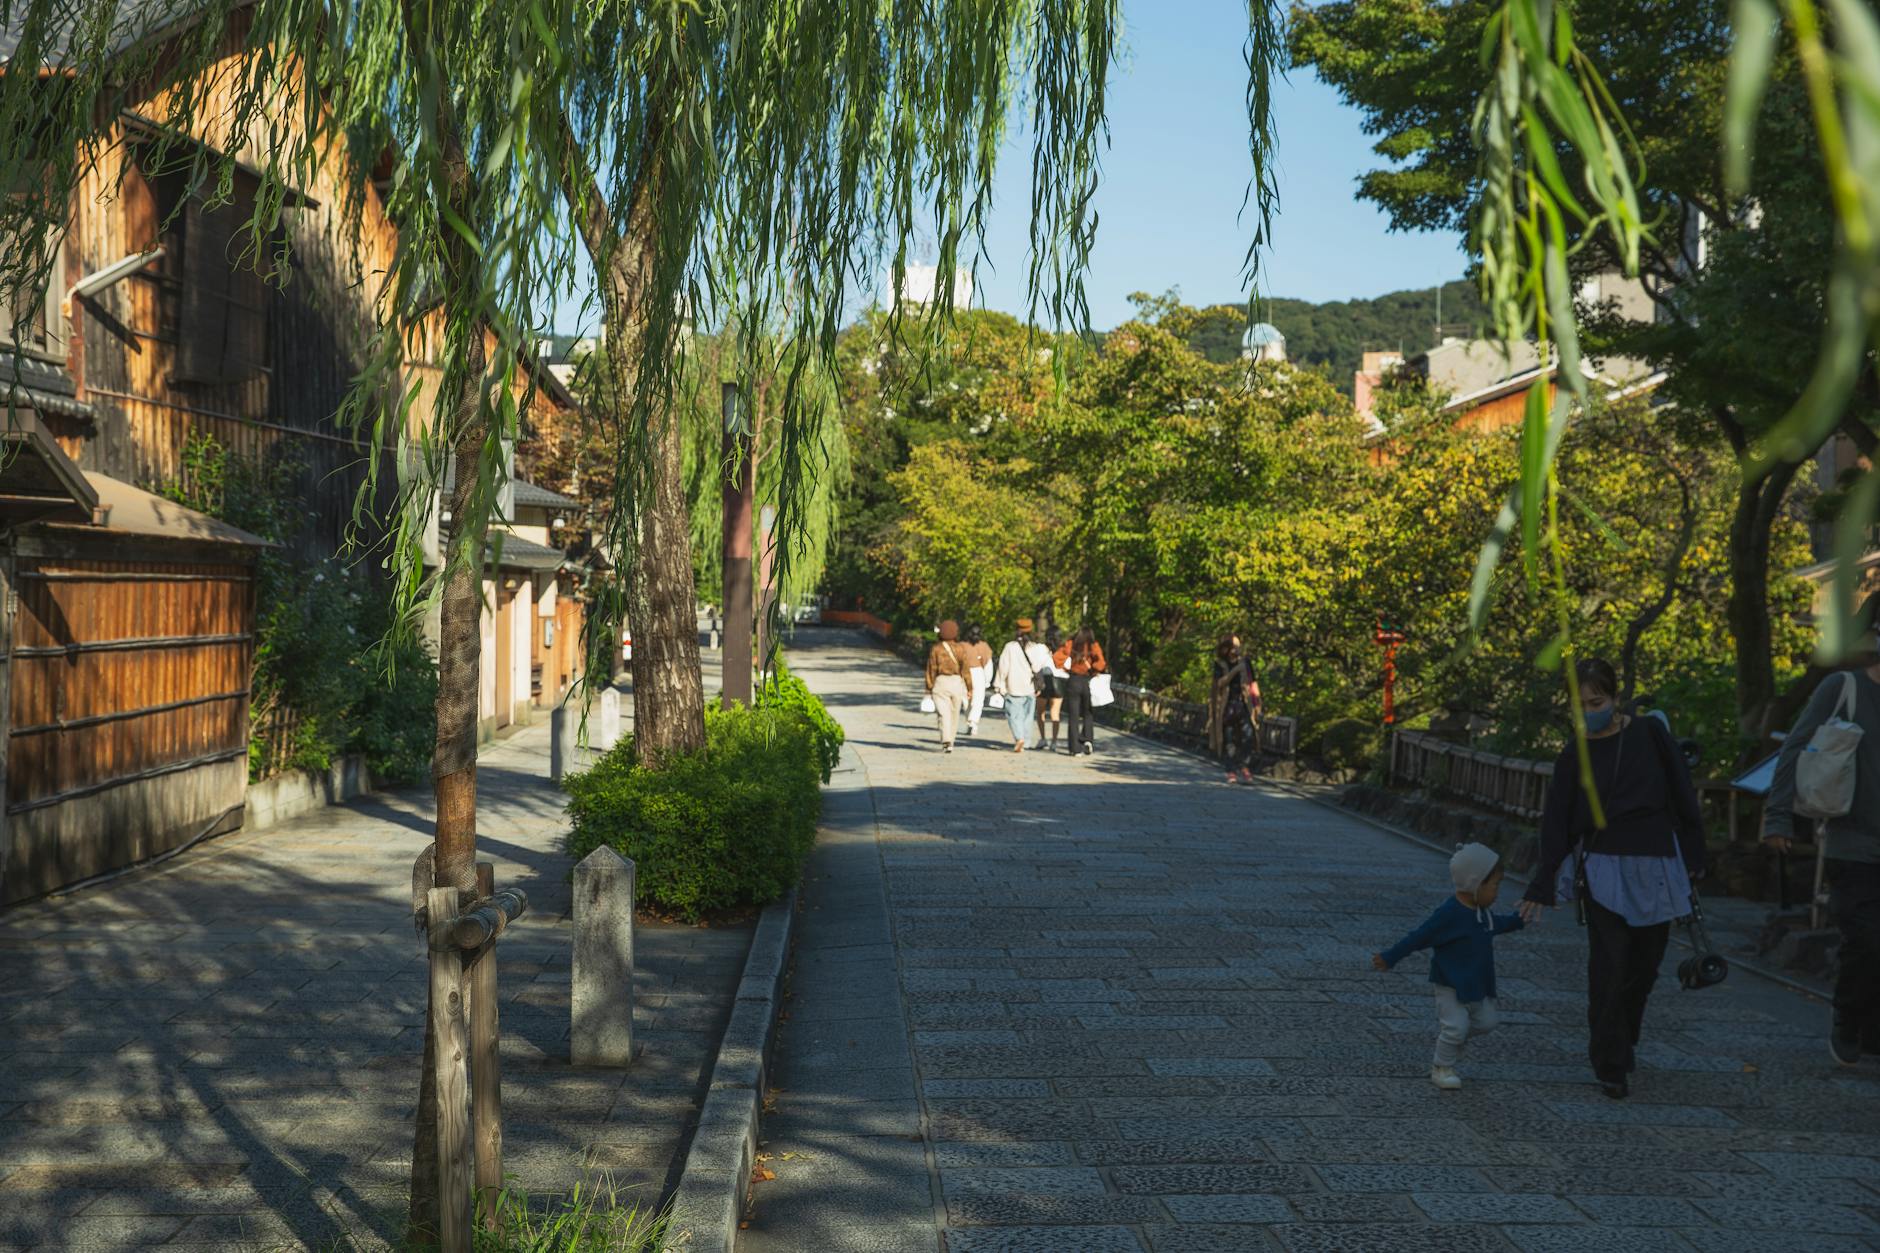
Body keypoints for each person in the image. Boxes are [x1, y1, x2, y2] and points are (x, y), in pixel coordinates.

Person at [1519, 657, 1708, 1099]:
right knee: (1609, 965)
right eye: (1580, 705)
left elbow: (1683, 793)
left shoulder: (1650, 734)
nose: (1590, 711)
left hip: (1658, 862)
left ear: (1616, 698)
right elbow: (1558, 821)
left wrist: (1696, 856)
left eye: (1597, 701)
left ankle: (1624, 1036)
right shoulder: (1574, 754)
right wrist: (1543, 881)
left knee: (1644, 968)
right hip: (1603, 866)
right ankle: (1610, 1061)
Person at [1762, 622, 1880, 1066]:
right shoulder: (1843, 687)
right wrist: (1778, 817)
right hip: (1853, 843)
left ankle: (1871, 1033)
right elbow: (1794, 748)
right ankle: (1847, 1018)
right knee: (1867, 940)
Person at [1373, 843, 1525, 1089]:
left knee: (1487, 1022)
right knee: (1455, 1026)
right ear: (1475, 883)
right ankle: (1441, 1067)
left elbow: (1497, 924)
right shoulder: (1449, 913)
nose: (1497, 892)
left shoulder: (1482, 913)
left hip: (1477, 983)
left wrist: (1519, 921)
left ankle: (1453, 1042)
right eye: (1495, 885)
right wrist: (1391, 956)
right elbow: (1420, 936)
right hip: (1450, 983)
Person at [1208, 633, 1263, 784]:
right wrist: (1235, 671)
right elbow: (1219, 684)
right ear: (1227, 648)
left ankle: (1244, 766)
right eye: (1234, 646)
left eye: (1239, 646)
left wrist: (1258, 702)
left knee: (1248, 736)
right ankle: (1231, 770)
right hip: (1227, 705)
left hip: (1244, 704)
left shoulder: (1246, 662)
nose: (1237, 649)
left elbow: (1253, 683)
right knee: (1229, 739)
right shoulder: (1220, 664)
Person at [1053, 627, 1108, 757]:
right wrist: (1093, 669)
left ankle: (1075, 748)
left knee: (1073, 715)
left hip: (1073, 680)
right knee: (1088, 712)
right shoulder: (1093, 645)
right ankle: (1087, 739)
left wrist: (1066, 669)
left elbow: (1057, 658)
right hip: (1088, 681)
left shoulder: (1071, 643)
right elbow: (1101, 663)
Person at [993, 618, 1044, 753]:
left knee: (1014, 716)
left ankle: (1019, 737)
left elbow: (1003, 667)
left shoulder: (1010, 647)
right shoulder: (1035, 648)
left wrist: (999, 684)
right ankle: (1026, 741)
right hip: (1029, 687)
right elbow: (1038, 667)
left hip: (1013, 686)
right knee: (1028, 716)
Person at [924, 620, 975, 754]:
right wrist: (970, 688)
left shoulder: (936, 649)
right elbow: (966, 670)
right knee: (954, 713)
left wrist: (928, 687)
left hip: (941, 682)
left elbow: (931, 669)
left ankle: (946, 739)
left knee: (943, 713)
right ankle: (951, 740)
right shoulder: (960, 648)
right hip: (957, 682)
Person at [1036, 627, 1065, 751]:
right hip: (1058, 682)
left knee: (1040, 712)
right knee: (1055, 714)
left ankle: (1043, 739)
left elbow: (1037, 665)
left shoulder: (1041, 649)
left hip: (1043, 680)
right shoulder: (1062, 651)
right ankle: (1054, 741)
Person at [963, 623, 994, 737]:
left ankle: (969, 721)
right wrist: (987, 680)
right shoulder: (984, 646)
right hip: (978, 673)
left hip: (964, 673)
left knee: (966, 700)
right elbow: (988, 664)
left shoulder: (962, 645)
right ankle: (973, 722)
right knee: (978, 700)